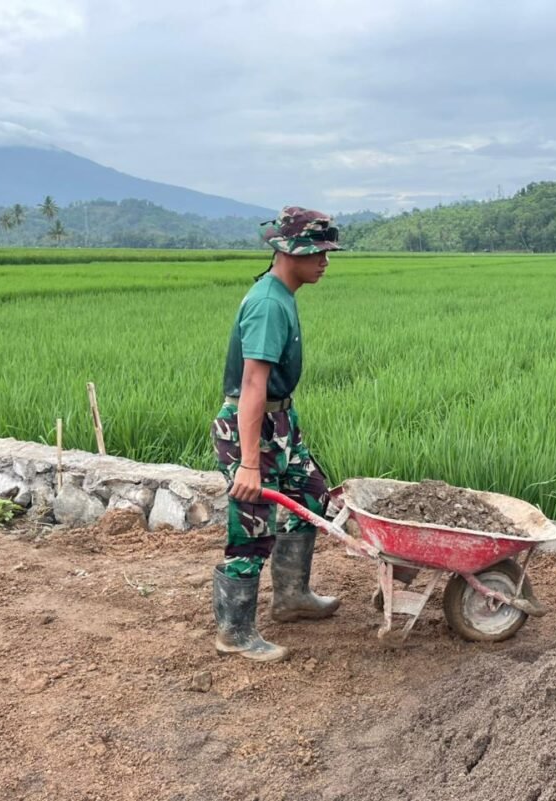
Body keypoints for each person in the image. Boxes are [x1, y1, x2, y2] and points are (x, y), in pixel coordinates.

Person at [209, 206, 343, 662]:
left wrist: (286, 430)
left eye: (328, 252)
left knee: (310, 498)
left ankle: (291, 597)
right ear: (288, 251)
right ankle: (235, 631)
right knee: (251, 527)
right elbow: (251, 385)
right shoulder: (268, 304)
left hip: (279, 423)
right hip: (252, 427)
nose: (325, 261)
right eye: (317, 253)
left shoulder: (284, 294)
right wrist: (249, 461)